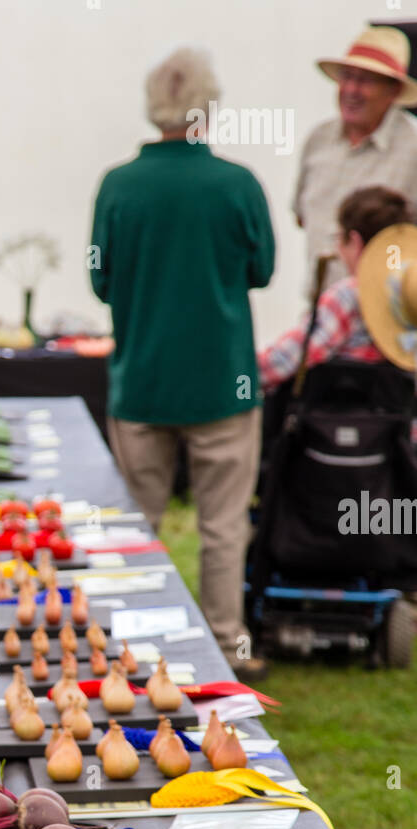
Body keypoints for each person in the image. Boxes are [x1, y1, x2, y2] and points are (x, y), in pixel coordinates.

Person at [89, 48, 275, 676]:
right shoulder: (238, 184)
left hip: (143, 379)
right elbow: (263, 270)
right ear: (208, 105)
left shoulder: (118, 185)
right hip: (224, 380)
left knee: (140, 523)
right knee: (223, 524)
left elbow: (99, 281)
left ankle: (133, 645)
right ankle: (226, 643)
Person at [293, 26, 417, 294]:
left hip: (387, 314)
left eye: (365, 80)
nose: (351, 89)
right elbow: (302, 216)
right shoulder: (319, 140)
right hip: (322, 308)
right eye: (346, 77)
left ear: (393, 90)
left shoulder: (413, 147)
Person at [260, 186, 415, 391]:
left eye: (338, 238)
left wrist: (239, 375)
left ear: (355, 241)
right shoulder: (409, 292)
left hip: (347, 416)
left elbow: (281, 363)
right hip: (402, 418)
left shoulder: (349, 296)